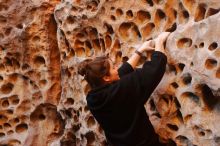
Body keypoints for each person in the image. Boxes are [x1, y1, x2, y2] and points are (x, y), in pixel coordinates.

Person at [78, 32, 171, 146]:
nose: (117, 68)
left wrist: (139, 51)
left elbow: (120, 74)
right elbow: (155, 69)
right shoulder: (123, 89)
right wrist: (160, 41)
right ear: (106, 77)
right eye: (113, 67)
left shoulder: (92, 99)